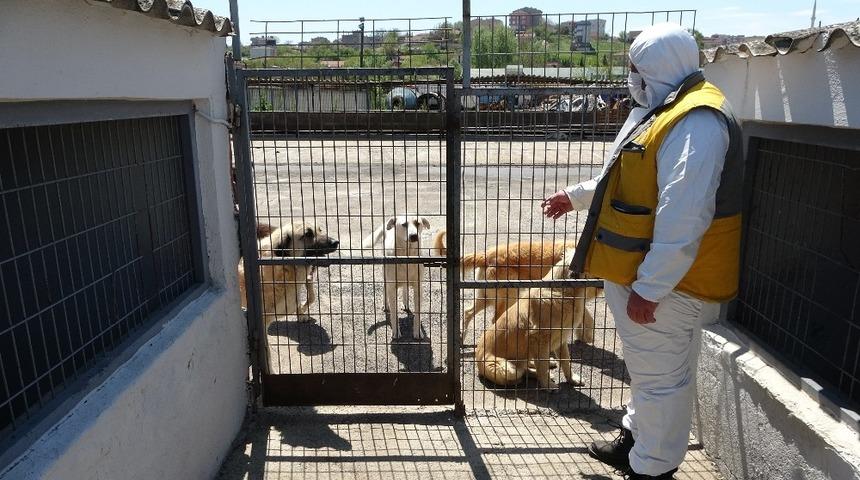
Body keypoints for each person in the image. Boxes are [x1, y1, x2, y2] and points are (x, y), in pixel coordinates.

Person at [541, 23, 742, 479]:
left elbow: (684, 215)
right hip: (642, 274)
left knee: (661, 382)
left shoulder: (696, 122)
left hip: (668, 285)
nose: (630, 77)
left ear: (657, 67)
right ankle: (635, 439)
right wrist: (574, 196)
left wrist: (650, 288)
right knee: (650, 372)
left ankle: (651, 468)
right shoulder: (664, 107)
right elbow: (626, 176)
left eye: (635, 68)